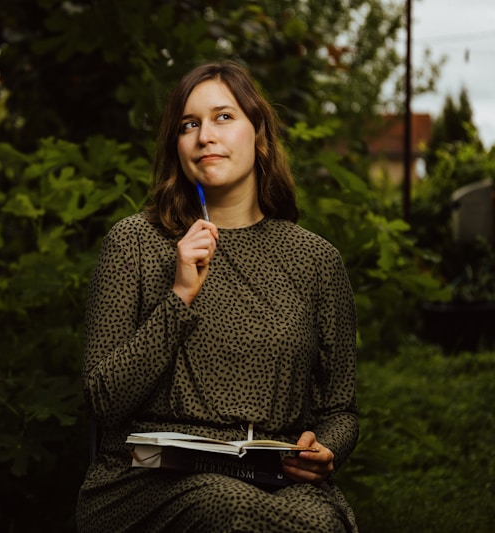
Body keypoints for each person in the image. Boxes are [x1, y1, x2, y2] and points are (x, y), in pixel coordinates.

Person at [76, 60, 359, 532]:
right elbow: (103, 399)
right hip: (148, 481)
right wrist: (181, 294)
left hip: (275, 481)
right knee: (229, 507)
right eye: (190, 124)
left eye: (224, 117)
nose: (206, 135)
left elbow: (341, 409)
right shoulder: (135, 242)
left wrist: (326, 449)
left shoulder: (316, 260)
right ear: (177, 145)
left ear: (259, 135)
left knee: (318, 524)